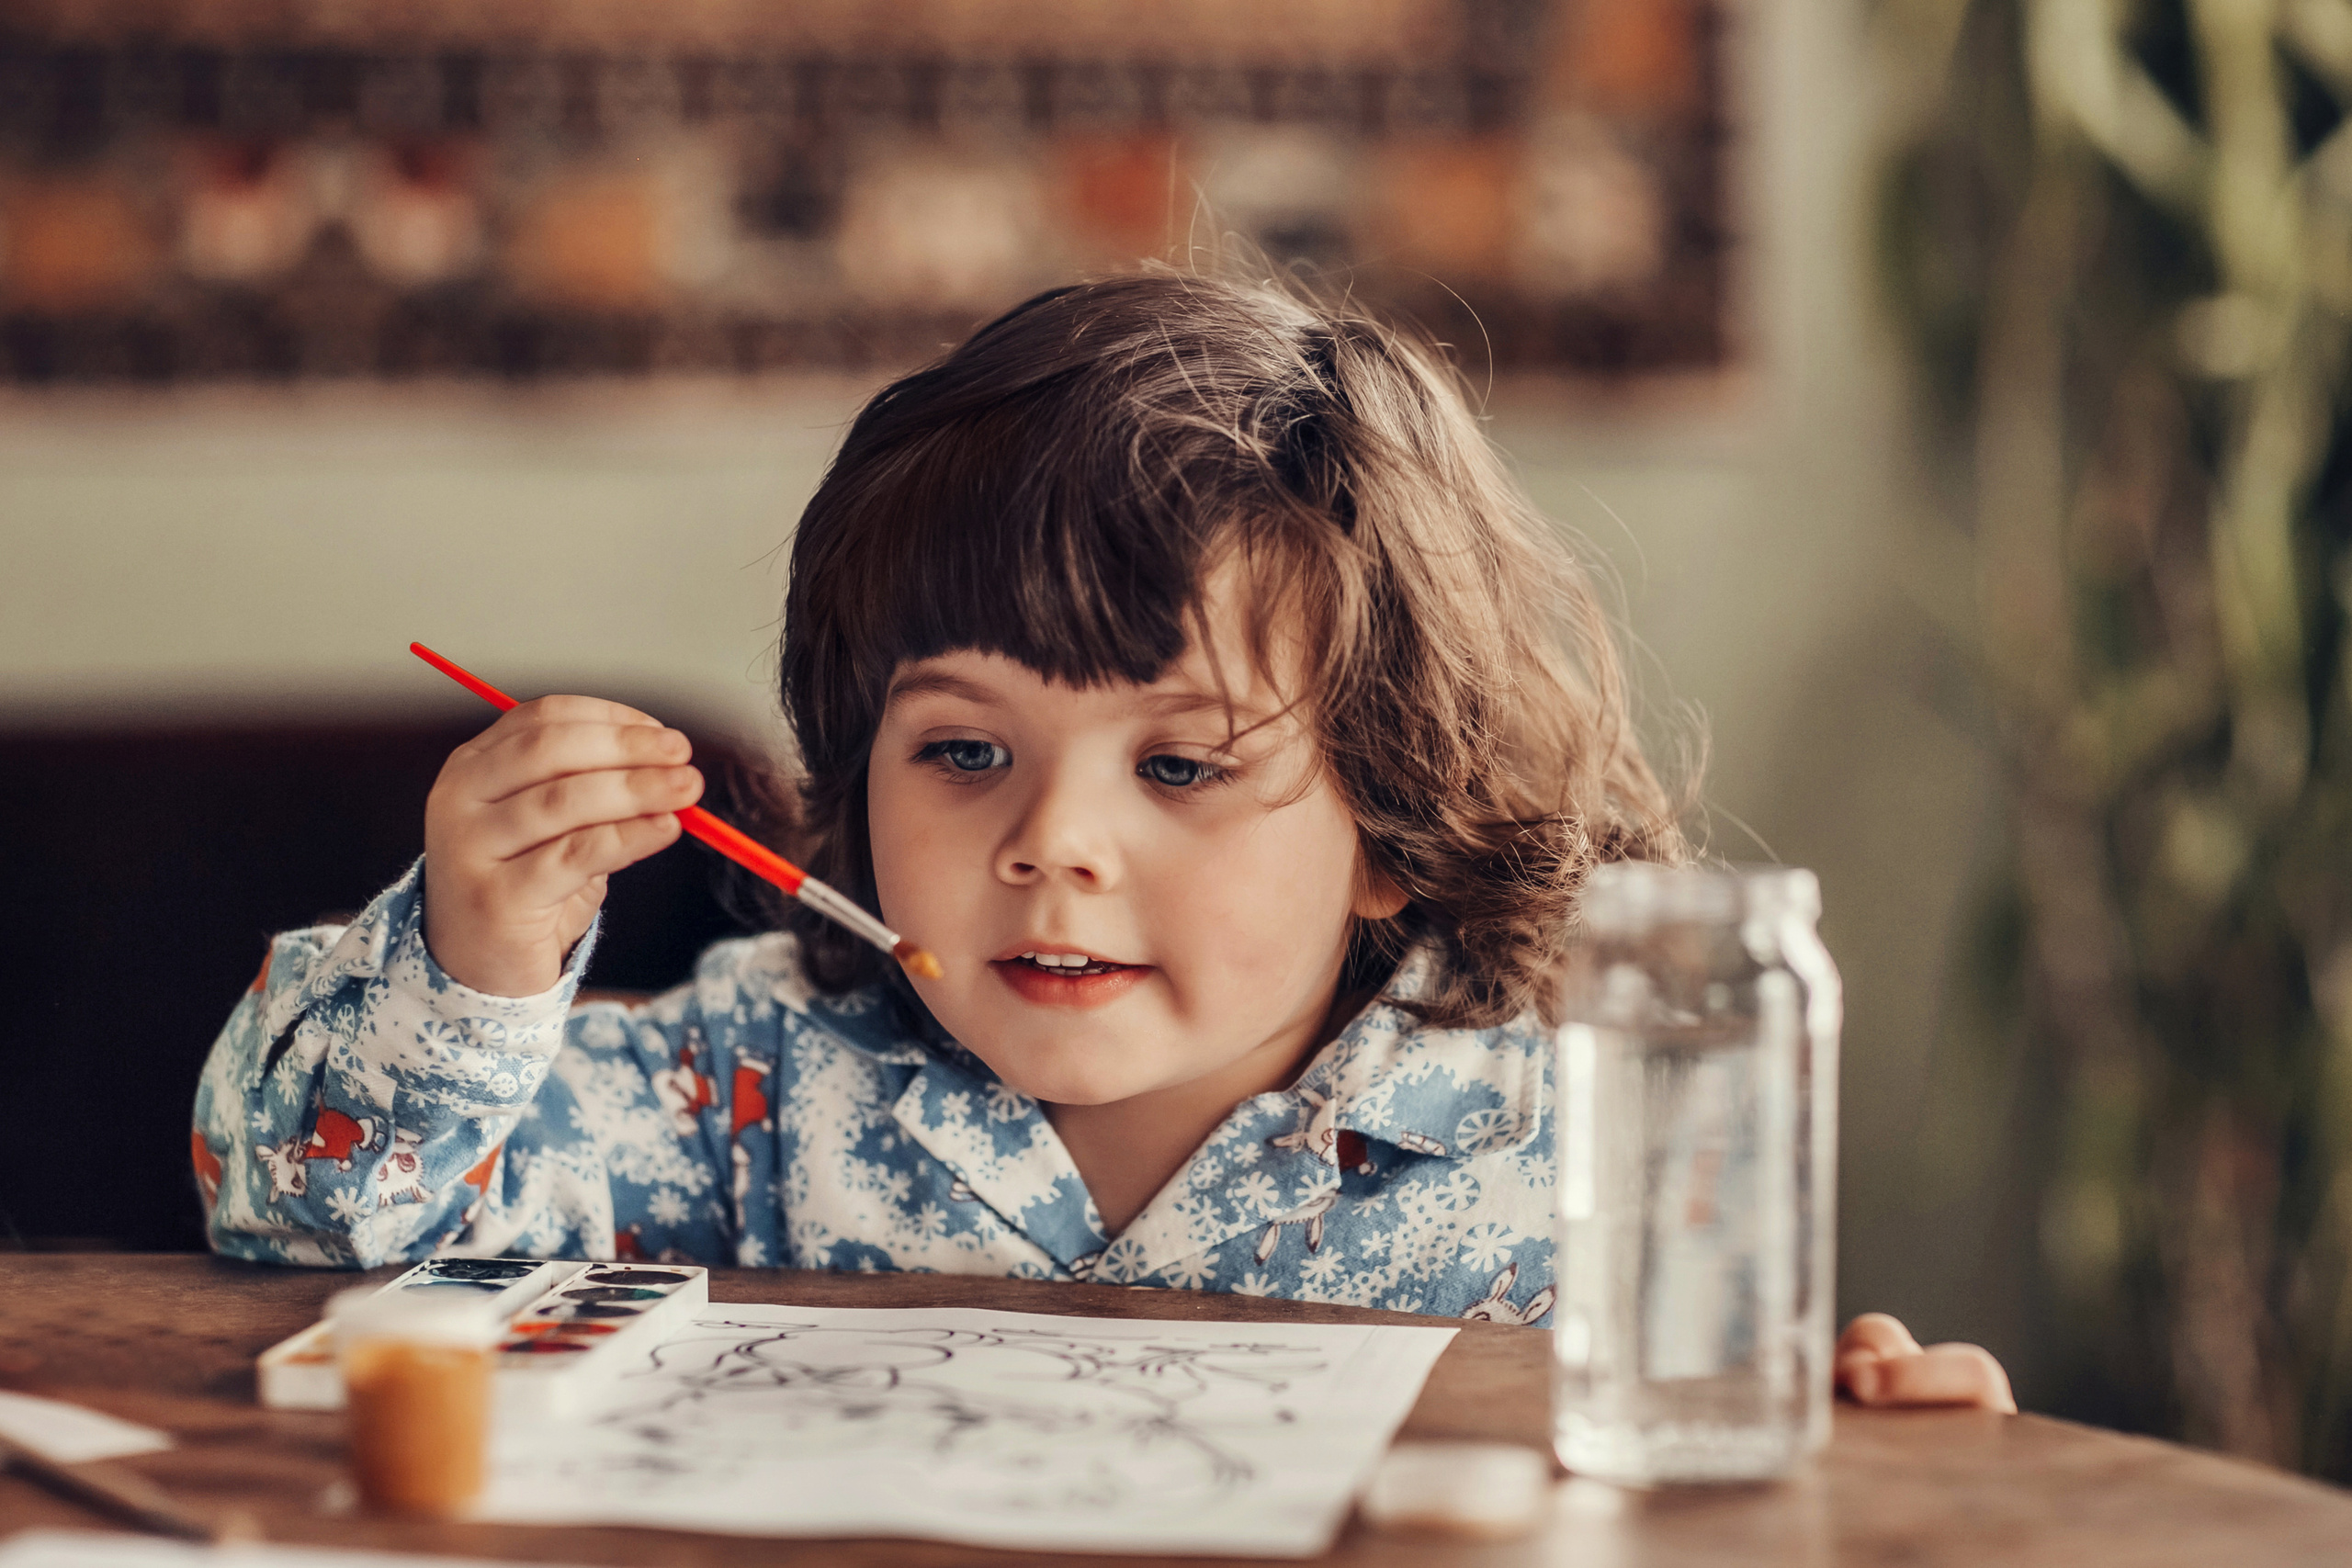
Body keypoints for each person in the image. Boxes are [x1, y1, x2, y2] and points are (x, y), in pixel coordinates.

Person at [194, 272, 2011, 1412]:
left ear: (1384, 819)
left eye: (1182, 767)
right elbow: (313, 1223)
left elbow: (1720, 1461)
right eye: (964, 747)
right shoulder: (748, 1079)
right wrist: (472, 956)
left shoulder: (1564, 1139)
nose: (1050, 843)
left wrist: (1871, 1426)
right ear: (850, 777)